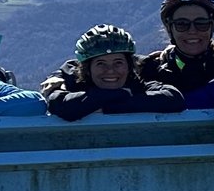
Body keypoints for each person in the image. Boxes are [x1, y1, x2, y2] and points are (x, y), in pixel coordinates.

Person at [42, 25, 185, 120]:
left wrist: (102, 105)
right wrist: (124, 95)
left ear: (129, 65)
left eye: (118, 63)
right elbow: (59, 104)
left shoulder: (138, 78)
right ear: (87, 69)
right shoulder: (71, 77)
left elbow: (173, 98)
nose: (110, 70)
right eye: (100, 64)